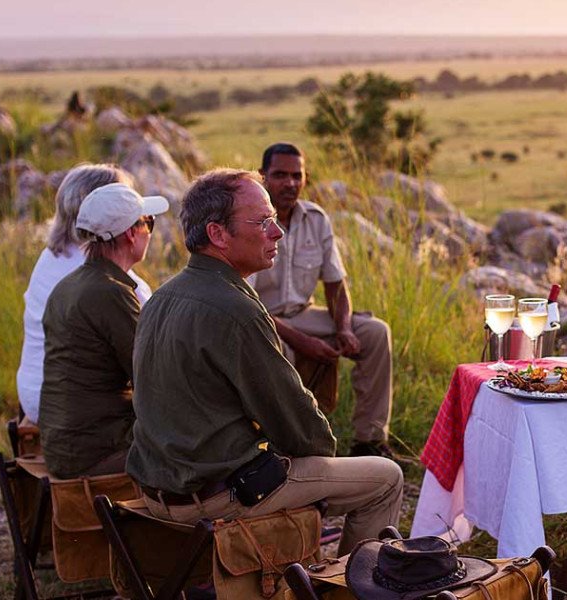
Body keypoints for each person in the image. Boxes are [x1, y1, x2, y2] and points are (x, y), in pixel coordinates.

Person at [126, 169, 402, 555]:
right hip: (219, 497)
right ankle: (351, 583)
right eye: (262, 222)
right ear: (217, 234)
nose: (278, 232)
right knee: (386, 478)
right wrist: (324, 451)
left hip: (160, 491)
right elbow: (300, 428)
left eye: (273, 219)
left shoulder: (161, 297)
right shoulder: (235, 308)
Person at [249, 142, 394, 457]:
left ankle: (369, 441)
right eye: (280, 175)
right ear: (263, 177)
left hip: (303, 314)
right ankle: (287, 449)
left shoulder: (316, 219)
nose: (290, 183)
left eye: (296, 175)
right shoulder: (252, 222)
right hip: (262, 320)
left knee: (375, 332)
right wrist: (303, 341)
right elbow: (247, 302)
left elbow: (336, 284)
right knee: (281, 349)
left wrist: (344, 328)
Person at [39, 183, 169, 479]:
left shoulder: (67, 286)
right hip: (98, 450)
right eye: (148, 223)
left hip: (65, 446)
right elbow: (153, 378)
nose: (150, 232)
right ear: (130, 233)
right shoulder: (111, 293)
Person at [15, 165, 152, 424]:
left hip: (33, 392)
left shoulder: (51, 257)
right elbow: (148, 351)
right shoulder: (104, 276)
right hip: (70, 408)